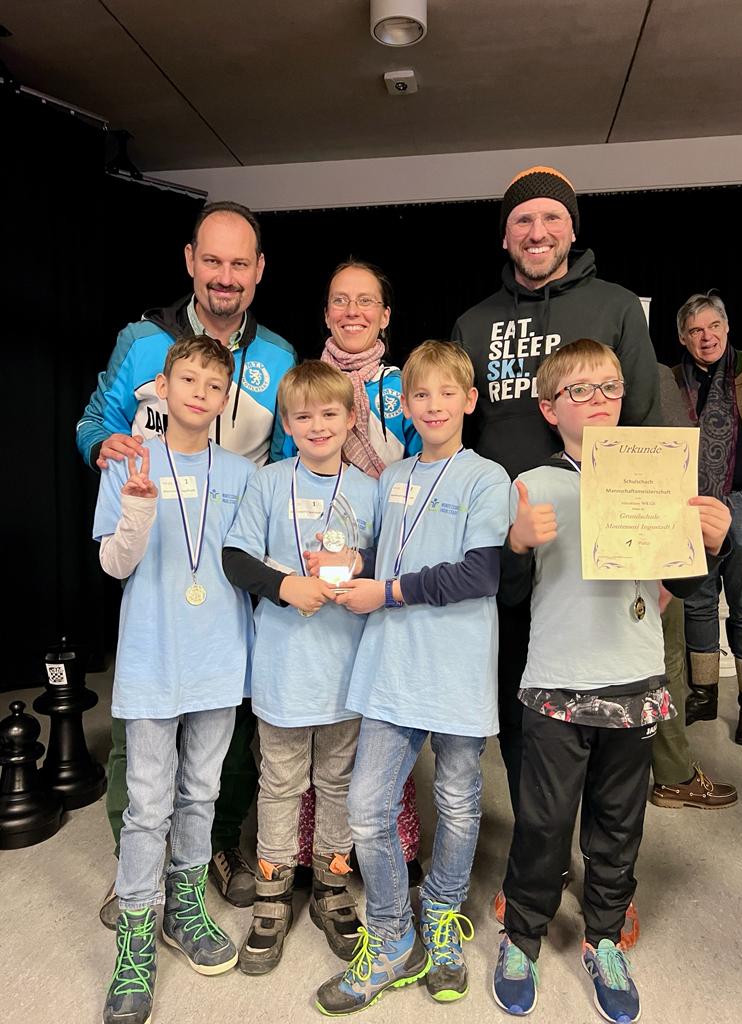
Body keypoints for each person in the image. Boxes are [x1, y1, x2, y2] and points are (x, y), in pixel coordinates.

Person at [491, 340, 732, 1022]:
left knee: (620, 823)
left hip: (634, 681)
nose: (597, 400)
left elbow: (684, 581)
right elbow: (508, 596)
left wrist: (713, 541)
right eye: (580, 391)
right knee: (542, 820)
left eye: (609, 388)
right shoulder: (532, 485)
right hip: (554, 685)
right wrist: (515, 545)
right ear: (548, 407)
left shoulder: (656, 477)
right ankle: (523, 936)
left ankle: (602, 935)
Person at [77, 201, 296, 923]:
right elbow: (96, 422)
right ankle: (132, 870)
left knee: (220, 737)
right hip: (155, 557)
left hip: (229, 565)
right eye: (213, 260)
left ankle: (204, 860)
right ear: (190, 261)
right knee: (142, 739)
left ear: (259, 271)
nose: (225, 276)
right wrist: (102, 453)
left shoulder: (278, 358)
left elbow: (289, 460)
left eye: (240, 263)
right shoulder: (143, 342)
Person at [452, 166, 661, 818]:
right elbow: (455, 436)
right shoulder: (474, 322)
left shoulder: (617, 307)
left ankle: (607, 863)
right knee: (520, 705)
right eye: (522, 220)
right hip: (511, 539)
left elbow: (648, 426)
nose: (536, 231)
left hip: (602, 545)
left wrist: (656, 555)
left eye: (550, 218)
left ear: (572, 228)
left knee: (610, 714)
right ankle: (540, 853)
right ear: (505, 236)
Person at [316, 341, 511, 1013]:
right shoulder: (393, 476)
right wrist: (348, 561)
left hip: (454, 666)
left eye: (444, 394)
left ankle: (442, 921)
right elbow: (381, 552)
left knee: (457, 803)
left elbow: (479, 573)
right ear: (404, 405)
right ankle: (393, 936)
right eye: (419, 396)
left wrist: (388, 591)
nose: (431, 406)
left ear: (469, 401)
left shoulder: (485, 477)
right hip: (391, 666)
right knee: (368, 809)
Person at [94, 336, 256, 1024]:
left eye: (212, 385)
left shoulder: (243, 474)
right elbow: (114, 566)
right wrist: (136, 510)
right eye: (186, 378)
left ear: (225, 400)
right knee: (147, 803)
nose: (198, 392)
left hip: (219, 659)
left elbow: (253, 565)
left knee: (201, 793)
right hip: (154, 658)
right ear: (163, 385)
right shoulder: (131, 459)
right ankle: (136, 935)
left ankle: (184, 907)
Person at [222, 361, 378, 975]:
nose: (318, 425)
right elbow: (235, 558)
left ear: (349, 420)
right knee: (280, 785)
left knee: (338, 784)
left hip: (347, 671)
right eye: (304, 415)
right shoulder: (268, 483)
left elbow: (389, 564)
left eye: (330, 414)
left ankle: (334, 890)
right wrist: (286, 584)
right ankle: (271, 896)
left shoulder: (370, 489)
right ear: (287, 423)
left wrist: (361, 562)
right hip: (285, 670)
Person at [293, 260, 423, 883]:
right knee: (324, 700)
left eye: (365, 301)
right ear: (325, 313)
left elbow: (427, 467)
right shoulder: (304, 381)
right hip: (317, 558)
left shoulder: (405, 385)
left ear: (385, 315)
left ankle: (384, 841)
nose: (352, 312)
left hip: (388, 556)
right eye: (339, 300)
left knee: (380, 707)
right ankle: (312, 852)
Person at [674, 292, 742, 746]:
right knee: (697, 601)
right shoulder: (671, 380)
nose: (705, 337)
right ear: (683, 338)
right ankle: (704, 693)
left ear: (728, 328)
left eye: (713, 326)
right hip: (691, 502)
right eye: (695, 330)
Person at [649, 364, 738, 808]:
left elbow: (682, 468)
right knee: (664, 660)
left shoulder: (572, 369)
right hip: (647, 543)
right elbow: (686, 468)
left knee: (664, 659)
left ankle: (674, 770)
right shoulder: (652, 371)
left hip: (653, 540)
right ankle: (674, 773)